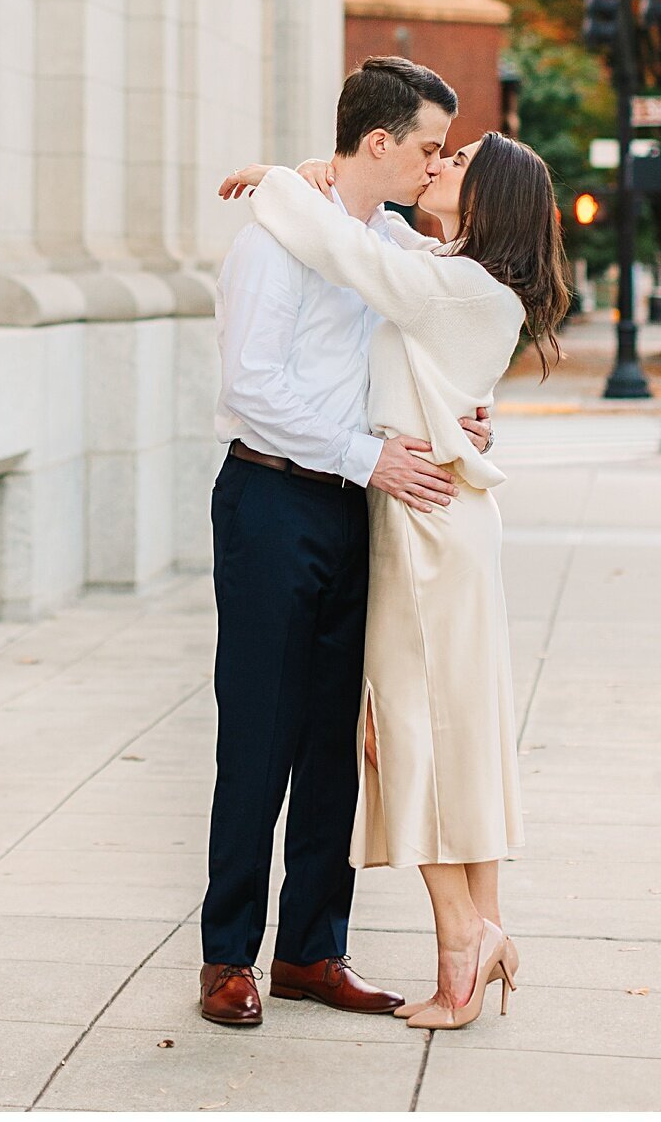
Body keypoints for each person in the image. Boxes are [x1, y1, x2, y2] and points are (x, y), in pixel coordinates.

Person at [219, 124, 571, 1031]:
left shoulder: (453, 283)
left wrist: (277, 181)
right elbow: (375, 239)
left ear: (487, 199)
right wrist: (322, 178)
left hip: (422, 536)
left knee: (409, 734)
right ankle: (481, 929)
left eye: (454, 161)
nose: (436, 163)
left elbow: (350, 248)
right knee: (454, 732)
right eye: (433, 149)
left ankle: (462, 945)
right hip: (424, 518)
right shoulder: (453, 266)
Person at [198, 57, 494, 1030]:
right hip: (272, 501)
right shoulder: (271, 247)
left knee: (337, 740)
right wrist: (362, 456)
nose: (434, 163)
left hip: (358, 508)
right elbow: (250, 388)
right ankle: (227, 959)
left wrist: (463, 422)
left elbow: (426, 353)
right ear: (376, 143)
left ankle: (312, 952)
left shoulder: (394, 244)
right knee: (258, 738)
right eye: (425, 146)